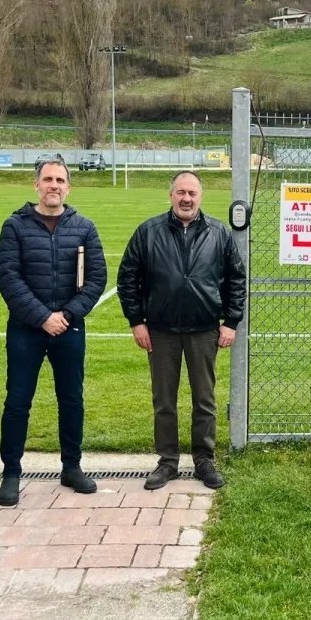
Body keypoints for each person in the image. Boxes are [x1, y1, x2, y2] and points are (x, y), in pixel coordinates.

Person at [117, 171, 246, 491]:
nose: (186, 198)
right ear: (171, 195)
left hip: (204, 331)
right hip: (160, 332)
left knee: (204, 399)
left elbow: (236, 280)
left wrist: (230, 322)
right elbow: (127, 279)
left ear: (201, 196)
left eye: (192, 192)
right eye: (181, 192)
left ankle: (204, 459)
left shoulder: (219, 232)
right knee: (164, 400)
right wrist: (137, 321)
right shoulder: (148, 232)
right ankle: (168, 461)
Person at [0, 155, 108, 506]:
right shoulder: (14, 226)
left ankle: (71, 467)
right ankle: (11, 473)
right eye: (48, 180)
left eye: (60, 180)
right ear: (37, 184)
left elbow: (96, 279)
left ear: (68, 187)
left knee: (72, 399)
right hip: (27, 329)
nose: (54, 186)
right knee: (17, 402)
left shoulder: (84, 227)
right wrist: (43, 317)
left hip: (69, 329)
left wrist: (68, 315)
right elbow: (9, 279)